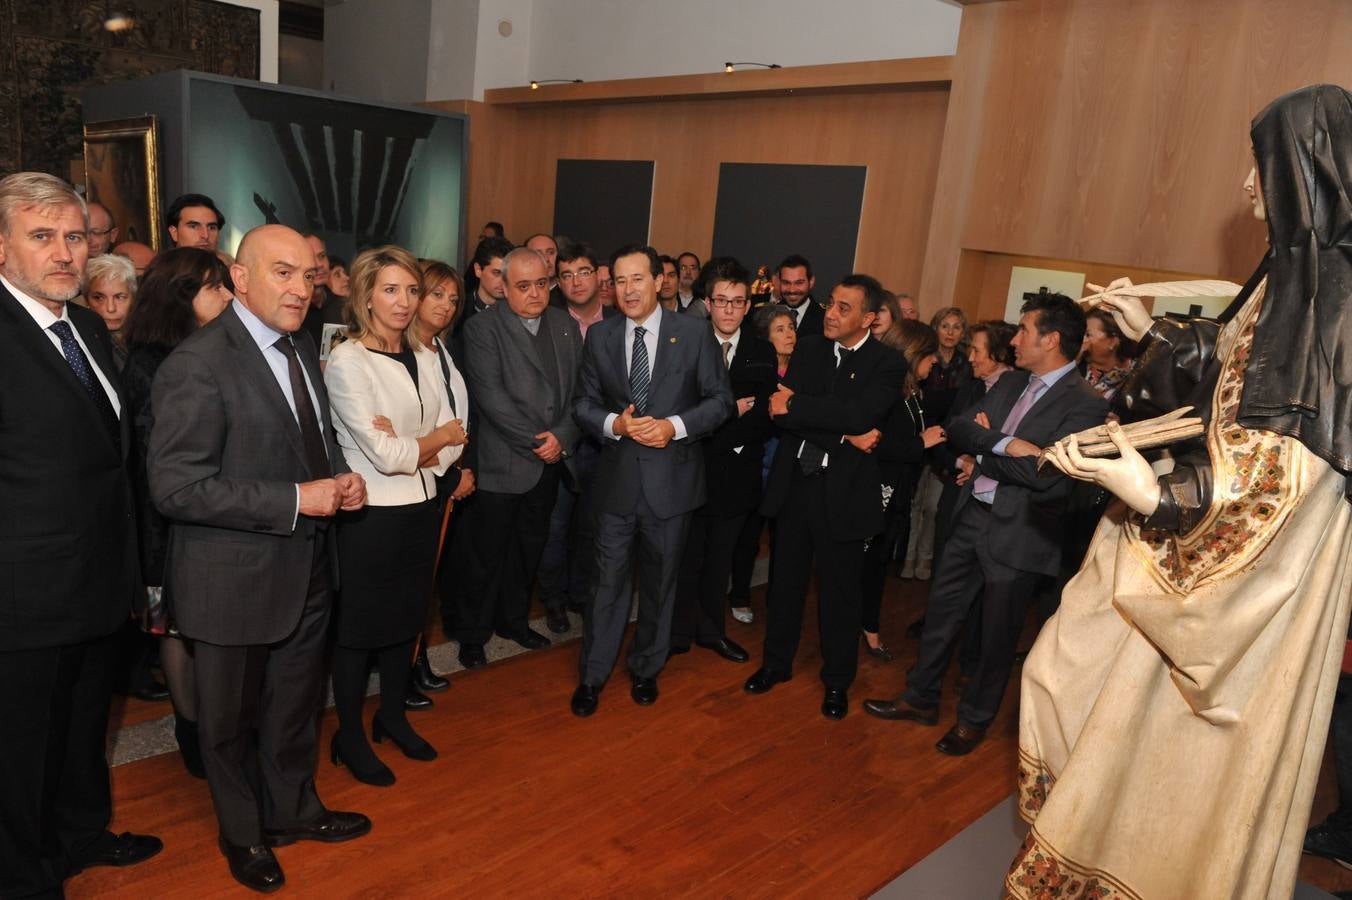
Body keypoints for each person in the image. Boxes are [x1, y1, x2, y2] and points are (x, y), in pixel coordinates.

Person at [1005, 84, 1352, 900]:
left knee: (1163, 750)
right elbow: (1229, 375)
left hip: (1241, 573)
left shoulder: (1334, 297)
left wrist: (1154, 499)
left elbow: (1286, 477)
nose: (1245, 187)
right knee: (1066, 672)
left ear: (1300, 169)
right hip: (1202, 527)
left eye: (1257, 166)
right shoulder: (1286, 281)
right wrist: (1145, 332)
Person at [148, 224, 371, 892]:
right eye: (281, 272)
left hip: (306, 567)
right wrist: (295, 499)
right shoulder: (197, 364)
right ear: (238, 278)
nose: (299, 289)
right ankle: (243, 836)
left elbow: (303, 444)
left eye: (307, 275)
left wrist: (338, 478)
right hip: (230, 577)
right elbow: (177, 486)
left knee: (296, 705)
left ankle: (294, 809)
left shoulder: (301, 346)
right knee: (227, 721)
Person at [0, 171, 162, 898]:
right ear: (2, 246)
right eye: (42, 237)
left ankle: (81, 834)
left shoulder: (87, 324)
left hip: (97, 580)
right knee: (19, 747)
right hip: (22, 593)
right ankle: (22, 873)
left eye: (72, 236)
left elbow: (108, 456)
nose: (64, 253)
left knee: (82, 727)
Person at [863, 292, 1106, 758]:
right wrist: (1009, 445)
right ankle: (920, 697)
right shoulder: (1014, 382)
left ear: (1051, 340)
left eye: (1024, 331)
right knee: (941, 614)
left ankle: (973, 720)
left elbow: (1050, 479)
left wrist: (988, 452)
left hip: (1021, 533)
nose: (1014, 340)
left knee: (996, 636)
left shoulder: (1086, 404)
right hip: (972, 516)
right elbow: (960, 427)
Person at [571, 244, 734, 716]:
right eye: (619, 281)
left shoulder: (694, 333)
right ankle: (593, 675)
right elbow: (582, 405)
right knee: (606, 585)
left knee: (661, 586)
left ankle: (646, 669)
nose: (628, 290)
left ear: (659, 281)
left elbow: (720, 401)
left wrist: (673, 427)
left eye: (637, 279)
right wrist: (614, 425)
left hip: (672, 485)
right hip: (616, 484)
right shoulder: (600, 336)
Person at [323, 245, 465, 787]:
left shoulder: (427, 355)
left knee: (405, 622)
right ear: (364, 295)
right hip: (371, 519)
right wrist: (429, 441)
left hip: (423, 507)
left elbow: (454, 437)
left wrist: (422, 444)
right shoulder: (348, 360)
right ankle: (350, 735)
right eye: (390, 290)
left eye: (411, 290)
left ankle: (392, 717)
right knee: (358, 632)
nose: (404, 302)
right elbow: (388, 457)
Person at [746, 274, 907, 720]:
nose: (830, 314)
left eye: (843, 308)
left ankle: (837, 682)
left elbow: (862, 414)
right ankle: (775, 665)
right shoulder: (811, 347)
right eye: (831, 304)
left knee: (840, 595)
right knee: (784, 586)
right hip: (795, 486)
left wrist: (805, 408)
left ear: (869, 318)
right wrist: (846, 434)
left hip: (845, 495)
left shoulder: (887, 364)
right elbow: (781, 414)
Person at [122, 247, 236, 780]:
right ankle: (190, 728)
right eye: (216, 287)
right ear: (182, 296)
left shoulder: (221, 349)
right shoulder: (149, 363)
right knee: (175, 631)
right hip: (163, 523)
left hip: (218, 515)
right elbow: (151, 465)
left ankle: (219, 730)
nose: (229, 296)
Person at [455, 247, 584, 668]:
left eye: (541, 284)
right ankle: (473, 634)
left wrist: (561, 438)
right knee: (485, 555)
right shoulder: (481, 329)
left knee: (528, 549)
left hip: (549, 463)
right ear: (503, 287)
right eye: (522, 286)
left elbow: (580, 393)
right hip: (502, 463)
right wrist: (538, 442)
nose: (534, 294)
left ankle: (512, 622)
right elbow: (491, 401)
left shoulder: (565, 325)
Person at [671, 258, 776, 663]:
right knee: (685, 558)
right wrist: (731, 410)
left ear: (749, 305)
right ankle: (677, 633)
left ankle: (711, 632)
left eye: (738, 302)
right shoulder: (685, 344)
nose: (730, 309)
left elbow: (766, 417)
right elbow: (681, 412)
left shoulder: (762, 351)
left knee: (721, 562)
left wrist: (718, 419)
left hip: (737, 475)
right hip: (690, 470)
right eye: (722, 301)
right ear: (708, 303)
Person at [538, 242, 619, 633]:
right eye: (566, 275)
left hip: (606, 444)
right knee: (555, 528)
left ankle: (582, 594)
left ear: (598, 276)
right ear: (558, 282)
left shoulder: (621, 322)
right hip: (561, 441)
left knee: (593, 527)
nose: (576, 282)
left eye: (583, 272)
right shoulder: (547, 322)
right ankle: (553, 600)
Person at [854, 320, 945, 661]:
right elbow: (875, 443)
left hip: (895, 492)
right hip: (877, 492)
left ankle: (866, 625)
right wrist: (918, 443)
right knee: (868, 564)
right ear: (913, 354)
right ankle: (865, 628)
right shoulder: (887, 393)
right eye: (929, 354)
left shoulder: (912, 394)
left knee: (877, 563)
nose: (934, 361)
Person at [410, 261, 473, 700]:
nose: (447, 306)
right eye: (437, 295)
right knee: (410, 584)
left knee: (423, 584)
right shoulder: (403, 352)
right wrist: (444, 473)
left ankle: (416, 659)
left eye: (453, 300)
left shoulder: (441, 349)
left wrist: (456, 469)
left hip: (443, 481)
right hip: (418, 483)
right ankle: (408, 664)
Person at [727, 303, 799, 625]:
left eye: (791, 328)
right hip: (758, 461)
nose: (789, 335)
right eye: (780, 329)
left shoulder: (804, 371)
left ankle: (779, 600)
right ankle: (739, 595)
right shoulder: (759, 371)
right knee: (749, 535)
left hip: (791, 465)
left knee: (785, 538)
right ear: (764, 337)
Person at [902, 305, 972, 580]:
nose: (951, 332)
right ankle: (907, 557)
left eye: (956, 327)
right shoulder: (924, 358)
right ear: (935, 328)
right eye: (945, 325)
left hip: (947, 442)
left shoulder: (966, 365)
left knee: (933, 506)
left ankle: (925, 558)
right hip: (917, 435)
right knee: (913, 502)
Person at [84, 251, 136, 370]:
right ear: (87, 300)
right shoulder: (80, 345)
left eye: (120, 297)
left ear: (134, 298)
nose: (110, 308)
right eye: (99, 298)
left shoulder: (151, 340)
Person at [1079, 307, 1136, 398]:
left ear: (1113, 342)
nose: (1082, 340)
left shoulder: (1136, 376)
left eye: (1088, 335)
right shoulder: (1076, 367)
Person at [771, 254, 823, 337]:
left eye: (799, 283)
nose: (792, 290)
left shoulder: (824, 319)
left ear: (811, 282)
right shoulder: (768, 315)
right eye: (786, 282)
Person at [675, 251, 707, 317]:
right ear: (676, 271)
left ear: (699, 272)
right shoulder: (669, 295)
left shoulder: (704, 298)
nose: (688, 272)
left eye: (693, 268)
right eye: (683, 268)